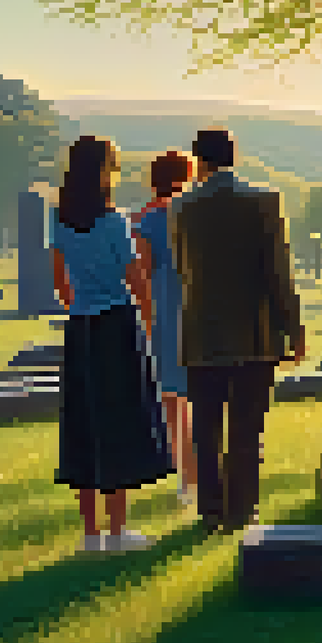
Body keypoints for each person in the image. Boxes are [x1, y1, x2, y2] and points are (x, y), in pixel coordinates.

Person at [167, 128, 305, 534]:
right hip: (253, 330)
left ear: (198, 161)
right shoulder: (264, 201)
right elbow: (277, 271)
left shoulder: (181, 207)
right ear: (234, 156)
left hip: (202, 330)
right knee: (247, 427)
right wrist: (292, 327)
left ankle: (211, 509)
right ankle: (242, 509)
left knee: (205, 427)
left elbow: (181, 266)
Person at [50, 135, 172, 553]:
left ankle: (90, 535)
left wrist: (81, 299)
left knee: (83, 424)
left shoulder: (58, 219)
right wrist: (152, 319)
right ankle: (118, 532)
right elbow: (135, 278)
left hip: (80, 326)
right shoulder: (114, 220)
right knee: (119, 421)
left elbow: (61, 285)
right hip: (116, 325)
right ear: (102, 171)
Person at [131, 150, 199, 506]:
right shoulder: (199, 213)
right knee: (207, 395)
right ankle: (210, 472)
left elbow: (142, 275)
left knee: (174, 401)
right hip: (202, 312)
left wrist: (148, 320)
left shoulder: (146, 220)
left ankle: (188, 481)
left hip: (165, 314)